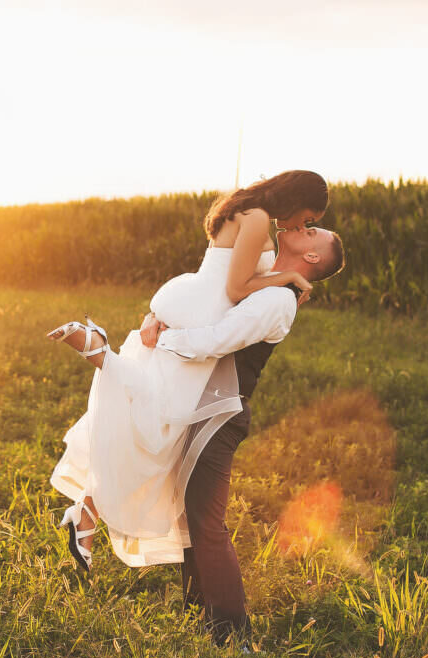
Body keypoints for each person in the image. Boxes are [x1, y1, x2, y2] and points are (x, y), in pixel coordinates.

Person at [46, 171, 333, 573]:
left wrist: (281, 295)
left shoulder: (249, 210)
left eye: (308, 225)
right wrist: (286, 277)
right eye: (306, 218)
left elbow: (244, 288)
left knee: (150, 421)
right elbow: (235, 289)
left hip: (194, 302)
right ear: (297, 199)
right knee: (159, 425)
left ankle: (87, 514)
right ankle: (99, 351)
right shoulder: (256, 217)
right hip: (203, 313)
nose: (301, 226)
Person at [143, 225, 345, 644]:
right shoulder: (265, 273)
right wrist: (157, 317)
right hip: (195, 402)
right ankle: (198, 618)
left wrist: (162, 338)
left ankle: (235, 637)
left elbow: (217, 339)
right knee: (188, 516)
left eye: (312, 231)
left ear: (311, 258)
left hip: (219, 413)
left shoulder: (276, 300)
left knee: (206, 522)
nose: (301, 227)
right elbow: (207, 297)